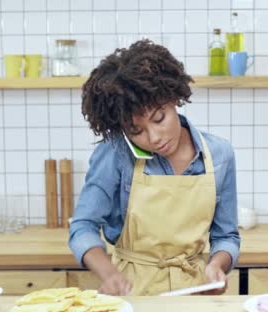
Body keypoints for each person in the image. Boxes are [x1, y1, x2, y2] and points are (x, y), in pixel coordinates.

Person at [68, 39, 240, 296]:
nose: (155, 137)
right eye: (137, 131)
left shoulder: (219, 154)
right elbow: (83, 226)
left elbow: (227, 236)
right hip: (132, 293)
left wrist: (217, 266)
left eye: (159, 118)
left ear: (173, 98)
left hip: (195, 293)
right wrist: (109, 274)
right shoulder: (115, 154)